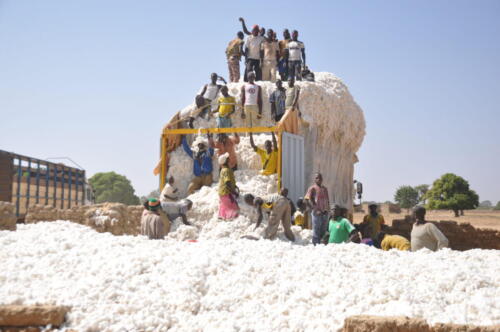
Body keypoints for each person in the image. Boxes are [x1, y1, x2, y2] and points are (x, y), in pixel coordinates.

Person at [304, 173, 330, 245]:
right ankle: (315, 245)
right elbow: (306, 200)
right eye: (317, 178)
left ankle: (321, 245)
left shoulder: (325, 189)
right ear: (315, 179)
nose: (319, 179)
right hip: (316, 213)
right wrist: (314, 209)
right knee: (316, 231)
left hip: (325, 213)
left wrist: (327, 210)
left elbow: (327, 200)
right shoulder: (312, 188)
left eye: (320, 178)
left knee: (323, 230)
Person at [218, 153, 239, 220]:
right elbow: (227, 182)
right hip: (226, 193)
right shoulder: (226, 170)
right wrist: (234, 191)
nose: (229, 159)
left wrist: (234, 186)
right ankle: (229, 218)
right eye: (228, 158)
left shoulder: (224, 169)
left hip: (222, 193)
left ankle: (222, 217)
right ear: (226, 161)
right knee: (234, 209)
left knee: (224, 206)